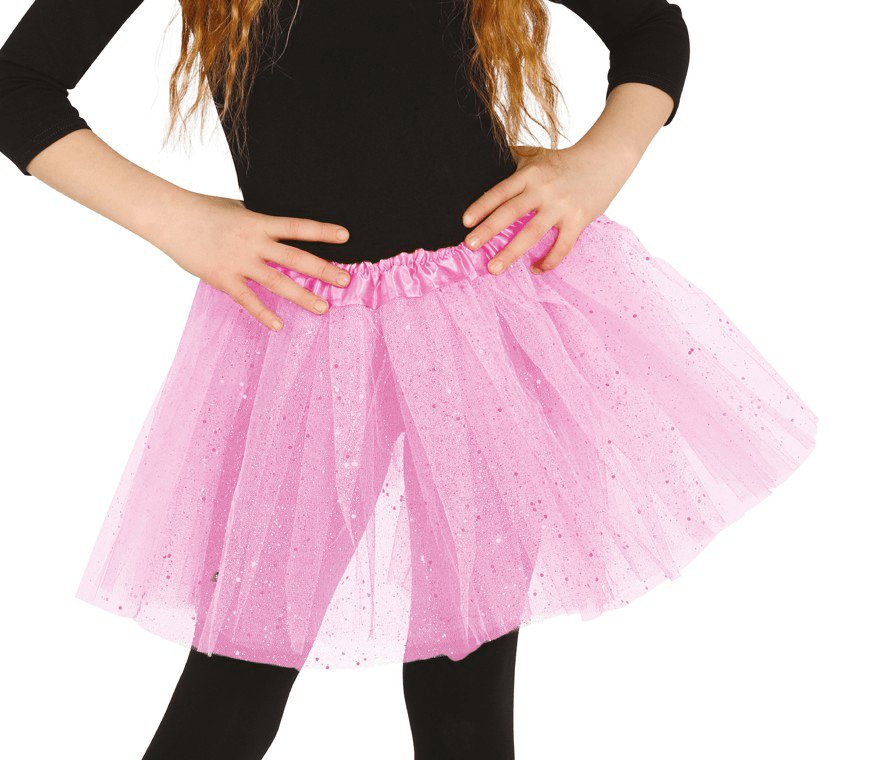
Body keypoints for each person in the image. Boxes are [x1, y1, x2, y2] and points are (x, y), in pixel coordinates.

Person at [0, 1, 819, 758]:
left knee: (465, 694)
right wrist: (180, 221)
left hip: (479, 318)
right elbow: (16, 84)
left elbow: (648, 25)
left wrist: (597, 163)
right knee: (234, 684)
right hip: (308, 338)